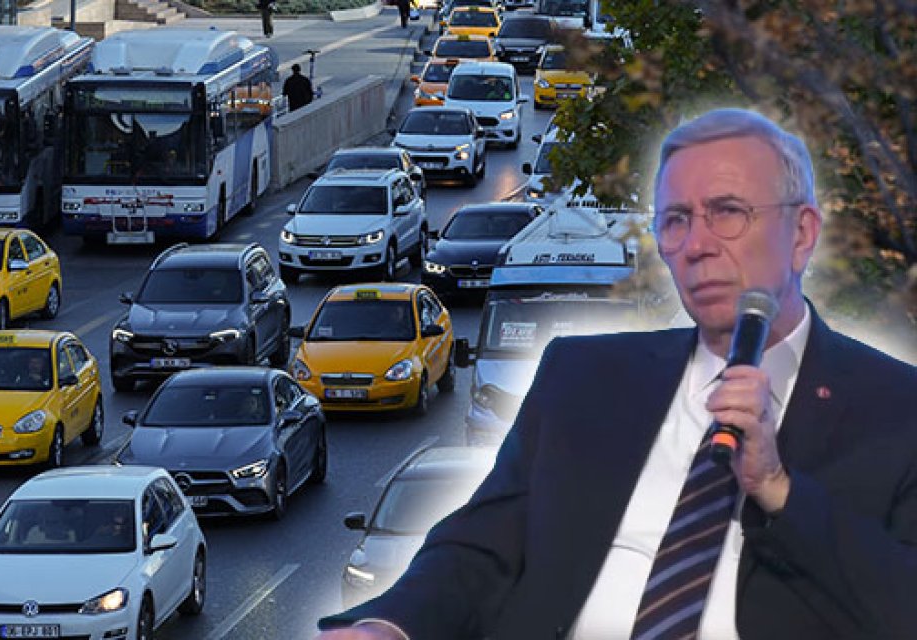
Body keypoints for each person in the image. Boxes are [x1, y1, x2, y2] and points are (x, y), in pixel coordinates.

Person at [315, 107, 917, 639]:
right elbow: (484, 543)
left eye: (728, 212)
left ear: (802, 234)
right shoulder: (581, 376)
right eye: (676, 220)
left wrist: (779, 491)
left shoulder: (897, 409)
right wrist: (390, 626)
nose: (697, 245)